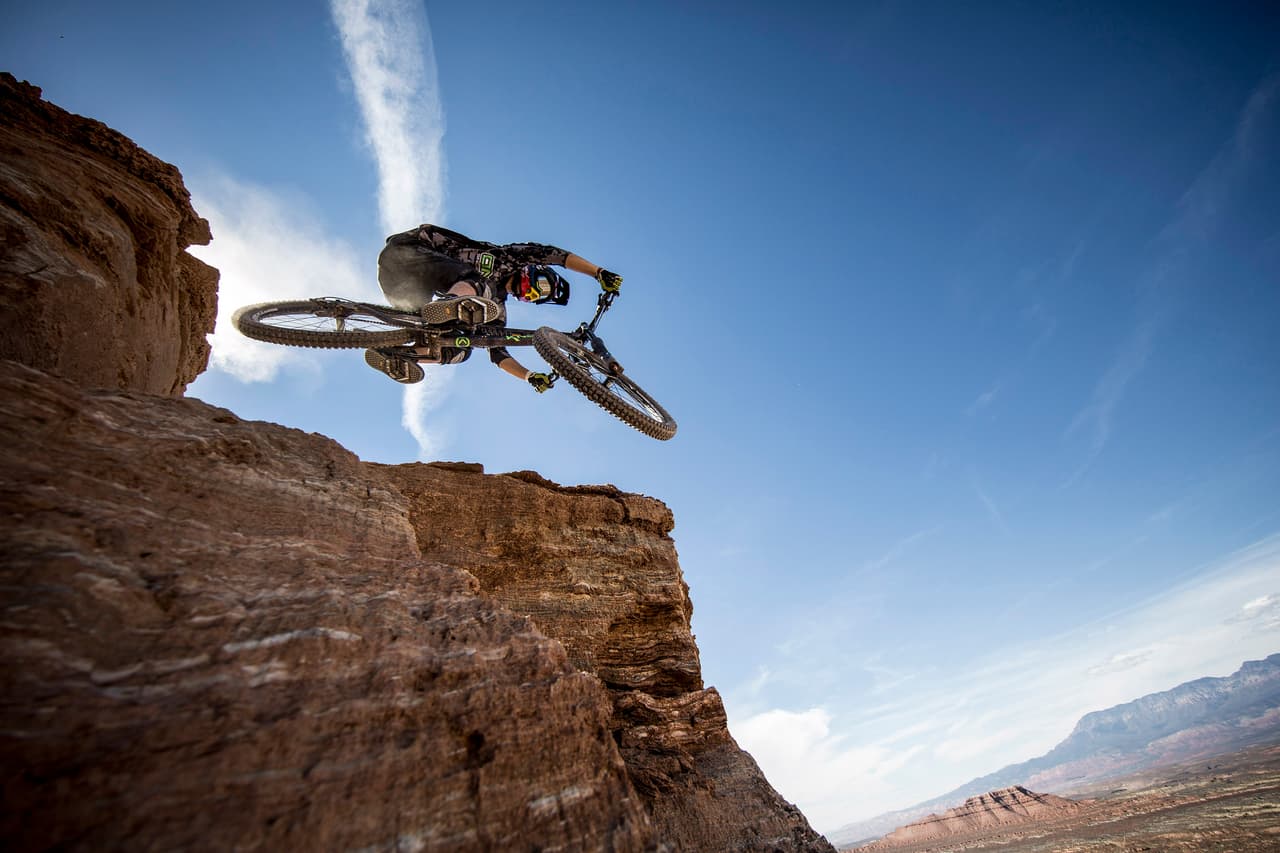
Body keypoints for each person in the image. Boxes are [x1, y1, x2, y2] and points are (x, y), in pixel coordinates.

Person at [365, 223, 623, 388]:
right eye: (539, 286)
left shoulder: (496, 306)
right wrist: (598, 273)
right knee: (481, 286)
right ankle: (452, 304)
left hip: (402, 288)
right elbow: (557, 255)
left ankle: (398, 356)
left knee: (462, 347)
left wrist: (529, 376)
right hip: (411, 250)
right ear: (533, 271)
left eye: (536, 297)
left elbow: (498, 353)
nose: (531, 293)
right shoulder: (510, 257)